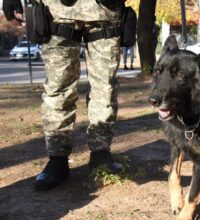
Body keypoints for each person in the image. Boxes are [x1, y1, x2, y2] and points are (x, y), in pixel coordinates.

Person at [3, 0, 124, 190]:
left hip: (105, 9)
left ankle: (101, 154)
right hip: (57, 10)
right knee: (58, 87)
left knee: (105, 87)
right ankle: (57, 160)